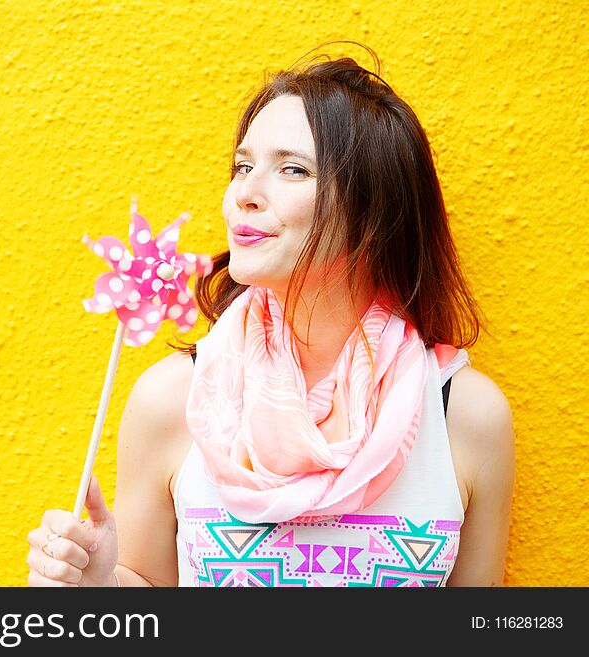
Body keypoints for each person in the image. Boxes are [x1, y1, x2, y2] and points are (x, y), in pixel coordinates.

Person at [26, 44, 515, 587]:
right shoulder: (171, 401)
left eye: (292, 169)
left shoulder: (463, 415)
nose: (244, 195)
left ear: (374, 210)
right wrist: (100, 585)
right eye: (242, 166)